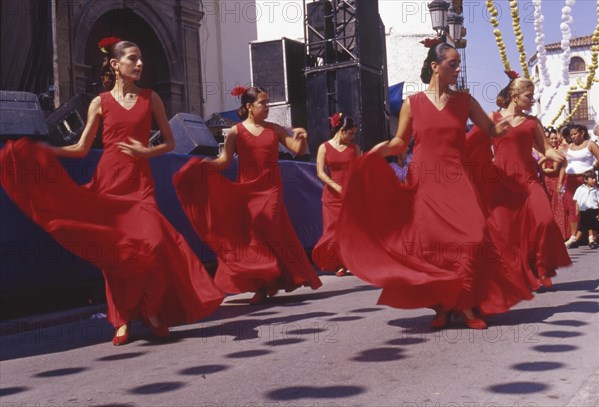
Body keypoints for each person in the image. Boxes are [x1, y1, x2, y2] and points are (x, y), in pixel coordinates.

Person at [0, 38, 224, 346]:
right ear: (116, 65)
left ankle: (152, 310)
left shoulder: (151, 98)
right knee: (116, 253)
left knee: (155, 243)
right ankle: (122, 319)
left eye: (141, 58)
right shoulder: (100, 102)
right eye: (133, 58)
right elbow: (81, 148)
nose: (140, 63)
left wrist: (145, 151)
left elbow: (170, 143)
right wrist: (45, 153)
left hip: (140, 184)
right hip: (109, 183)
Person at [337, 42, 532, 330]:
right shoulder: (412, 103)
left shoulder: (465, 101)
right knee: (433, 246)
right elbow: (400, 142)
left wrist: (506, 125)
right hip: (425, 181)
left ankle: (465, 302)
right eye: (452, 64)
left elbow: (491, 130)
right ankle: (443, 305)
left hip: (457, 179)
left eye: (458, 64)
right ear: (434, 67)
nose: (457, 69)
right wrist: (375, 153)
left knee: (473, 236)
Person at [173, 86, 322, 305]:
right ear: (249, 107)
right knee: (254, 234)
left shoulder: (275, 129)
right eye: (263, 103)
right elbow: (224, 161)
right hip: (247, 191)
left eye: (268, 103)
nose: (267, 107)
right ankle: (263, 285)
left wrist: (302, 137)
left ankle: (273, 277)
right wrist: (205, 166)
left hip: (270, 190)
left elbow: (297, 150)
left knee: (267, 222)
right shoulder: (236, 131)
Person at [476, 76, 571, 290]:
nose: (532, 99)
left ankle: (542, 266)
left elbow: (546, 148)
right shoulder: (494, 118)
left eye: (532, 95)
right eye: (529, 96)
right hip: (501, 182)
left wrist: (557, 155)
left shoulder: (532, 122)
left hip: (529, 180)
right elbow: (476, 143)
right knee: (507, 231)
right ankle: (523, 273)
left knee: (545, 220)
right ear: (514, 97)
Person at [312, 113, 361, 276]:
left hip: (351, 195)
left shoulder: (354, 148)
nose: (353, 136)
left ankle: (350, 262)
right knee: (333, 232)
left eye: (354, 133)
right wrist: (336, 186)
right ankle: (338, 263)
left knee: (350, 230)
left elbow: (360, 170)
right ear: (341, 130)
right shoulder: (324, 147)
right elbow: (320, 172)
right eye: (351, 133)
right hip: (331, 197)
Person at [560, 124, 599, 248]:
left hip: (585, 179)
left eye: (575, 133)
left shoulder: (590, 144)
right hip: (571, 179)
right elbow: (564, 165)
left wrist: (591, 169)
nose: (572, 136)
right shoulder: (569, 147)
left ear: (582, 133)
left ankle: (591, 238)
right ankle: (573, 237)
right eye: (571, 135)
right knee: (573, 208)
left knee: (590, 208)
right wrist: (560, 182)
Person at [540, 128, 570, 240]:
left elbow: (554, 169)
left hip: (555, 180)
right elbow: (544, 167)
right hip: (546, 180)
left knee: (558, 206)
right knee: (549, 206)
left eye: (555, 138)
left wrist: (539, 168)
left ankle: (561, 233)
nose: (554, 140)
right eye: (551, 138)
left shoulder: (558, 151)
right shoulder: (546, 151)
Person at [572, 170, 599, 249]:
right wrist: (577, 210)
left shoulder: (596, 190)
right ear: (585, 180)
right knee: (582, 226)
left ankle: (592, 241)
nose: (594, 180)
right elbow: (576, 200)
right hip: (583, 211)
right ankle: (576, 241)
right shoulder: (580, 189)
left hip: (593, 210)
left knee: (593, 226)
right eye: (592, 178)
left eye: (595, 178)